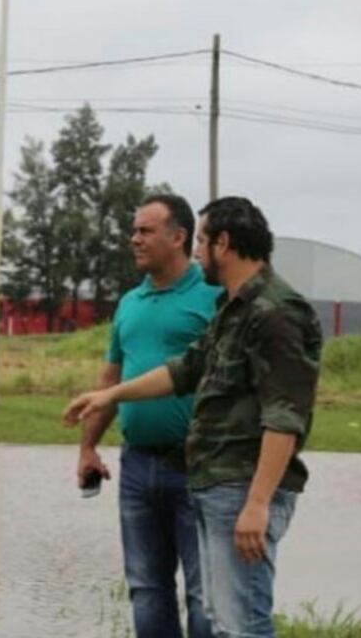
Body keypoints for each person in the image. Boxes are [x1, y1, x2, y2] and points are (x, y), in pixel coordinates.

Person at [64, 196, 322, 638]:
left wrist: (257, 504)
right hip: (214, 481)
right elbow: (185, 369)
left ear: (224, 243)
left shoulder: (277, 312)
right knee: (225, 623)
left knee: (244, 626)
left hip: (242, 487)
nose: (198, 251)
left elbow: (285, 416)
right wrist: (110, 395)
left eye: (202, 240)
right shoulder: (232, 309)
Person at [68, 194, 218, 637]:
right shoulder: (130, 303)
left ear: (179, 237)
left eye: (145, 231)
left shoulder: (213, 297)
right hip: (136, 466)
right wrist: (88, 446)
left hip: (198, 465)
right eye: (134, 230)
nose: (135, 239)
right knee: (146, 588)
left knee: (204, 593)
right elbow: (110, 380)